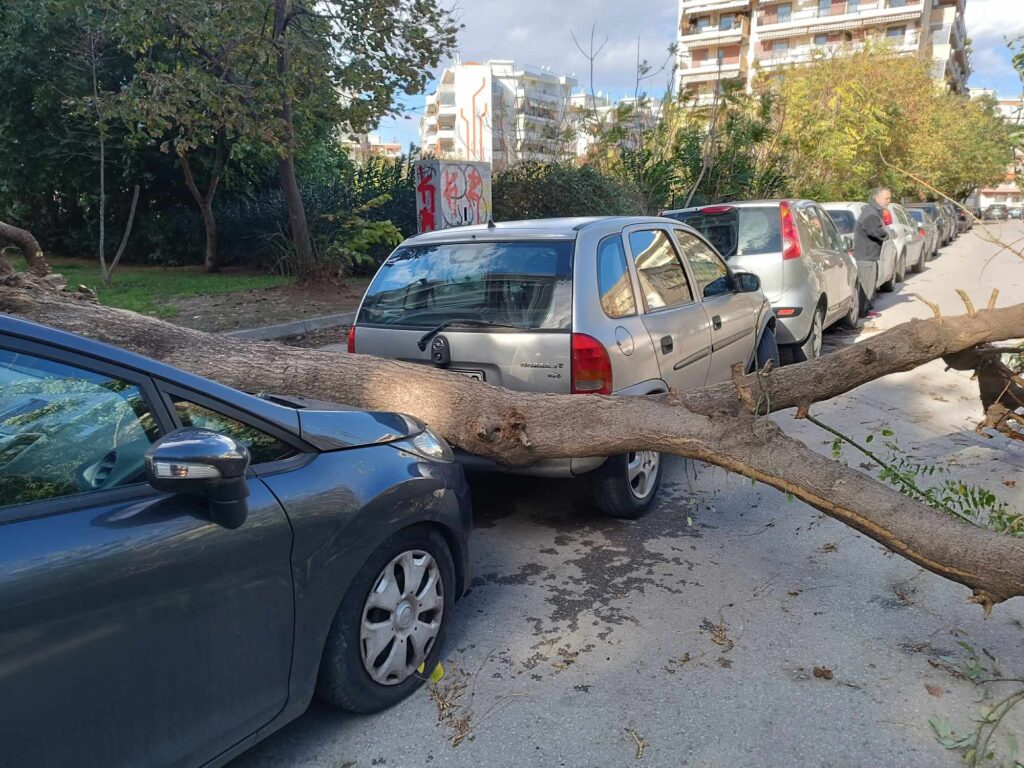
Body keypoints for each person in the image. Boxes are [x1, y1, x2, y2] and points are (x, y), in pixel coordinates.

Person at [853, 187, 892, 318]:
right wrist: (887, 234)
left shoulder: (872, 210)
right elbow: (875, 232)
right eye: (886, 198)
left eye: (889, 198)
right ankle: (863, 312)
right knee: (866, 286)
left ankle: (866, 308)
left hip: (869, 255)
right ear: (877, 198)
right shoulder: (871, 213)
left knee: (869, 284)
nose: (889, 201)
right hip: (866, 256)